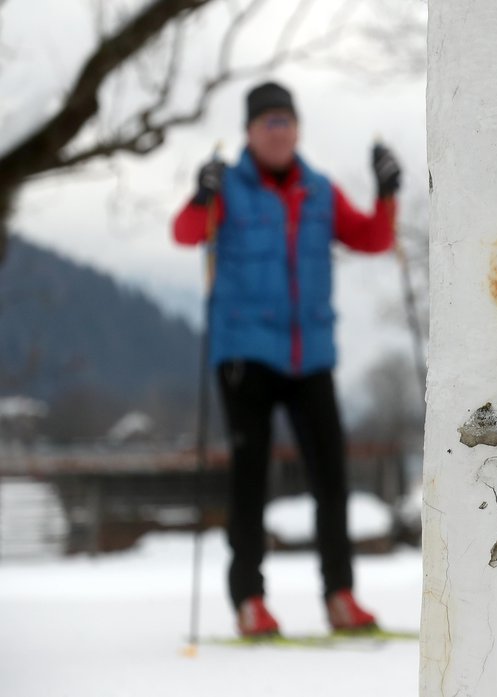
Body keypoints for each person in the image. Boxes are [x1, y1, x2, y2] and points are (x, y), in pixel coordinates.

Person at [172, 81, 401, 637]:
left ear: (297, 129)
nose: (279, 132)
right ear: (249, 132)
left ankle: (341, 595)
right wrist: (201, 195)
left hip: (310, 355)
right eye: (268, 123)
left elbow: (373, 239)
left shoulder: (320, 190)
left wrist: (388, 192)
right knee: (250, 479)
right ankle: (250, 601)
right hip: (245, 356)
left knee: (332, 479)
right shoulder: (226, 187)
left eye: (286, 122)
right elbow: (184, 233)